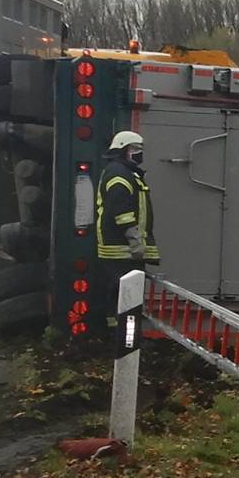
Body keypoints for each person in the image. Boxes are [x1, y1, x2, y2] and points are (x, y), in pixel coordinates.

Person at [94, 130, 150, 334]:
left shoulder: (124, 171)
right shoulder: (119, 173)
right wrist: (134, 238)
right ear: (124, 150)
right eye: (135, 149)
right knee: (124, 293)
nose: (139, 153)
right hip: (120, 248)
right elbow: (121, 210)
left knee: (121, 292)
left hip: (122, 247)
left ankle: (121, 333)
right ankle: (123, 337)